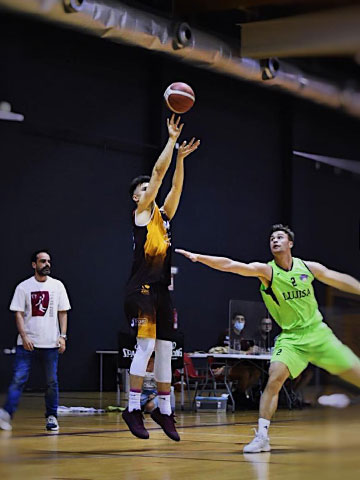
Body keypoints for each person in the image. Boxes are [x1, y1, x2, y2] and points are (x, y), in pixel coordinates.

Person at [176, 223, 360, 452]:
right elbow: (232, 265)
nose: (275, 240)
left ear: (290, 243)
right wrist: (199, 257)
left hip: (318, 333)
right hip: (291, 339)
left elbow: (338, 279)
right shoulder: (267, 271)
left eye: (280, 237)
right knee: (274, 379)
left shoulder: (307, 268)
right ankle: (262, 436)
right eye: (272, 238)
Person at [122, 114, 200, 442]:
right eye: (143, 190)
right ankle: (133, 407)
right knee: (147, 346)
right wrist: (171, 141)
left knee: (167, 350)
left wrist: (181, 160)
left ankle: (165, 411)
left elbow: (175, 185)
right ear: (137, 198)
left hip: (161, 291)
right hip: (140, 289)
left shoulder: (164, 217)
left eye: (148, 190)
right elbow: (157, 174)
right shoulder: (141, 214)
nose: (148, 191)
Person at [0, 250, 71, 432]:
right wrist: (24, 337)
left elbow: (62, 312)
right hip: (27, 344)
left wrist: (62, 337)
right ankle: (6, 414)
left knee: (51, 382)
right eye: (42, 261)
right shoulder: (24, 287)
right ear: (34, 265)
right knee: (19, 378)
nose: (46, 264)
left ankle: (52, 416)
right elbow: (18, 313)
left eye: (48, 261)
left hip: (50, 344)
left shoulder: (57, 286)